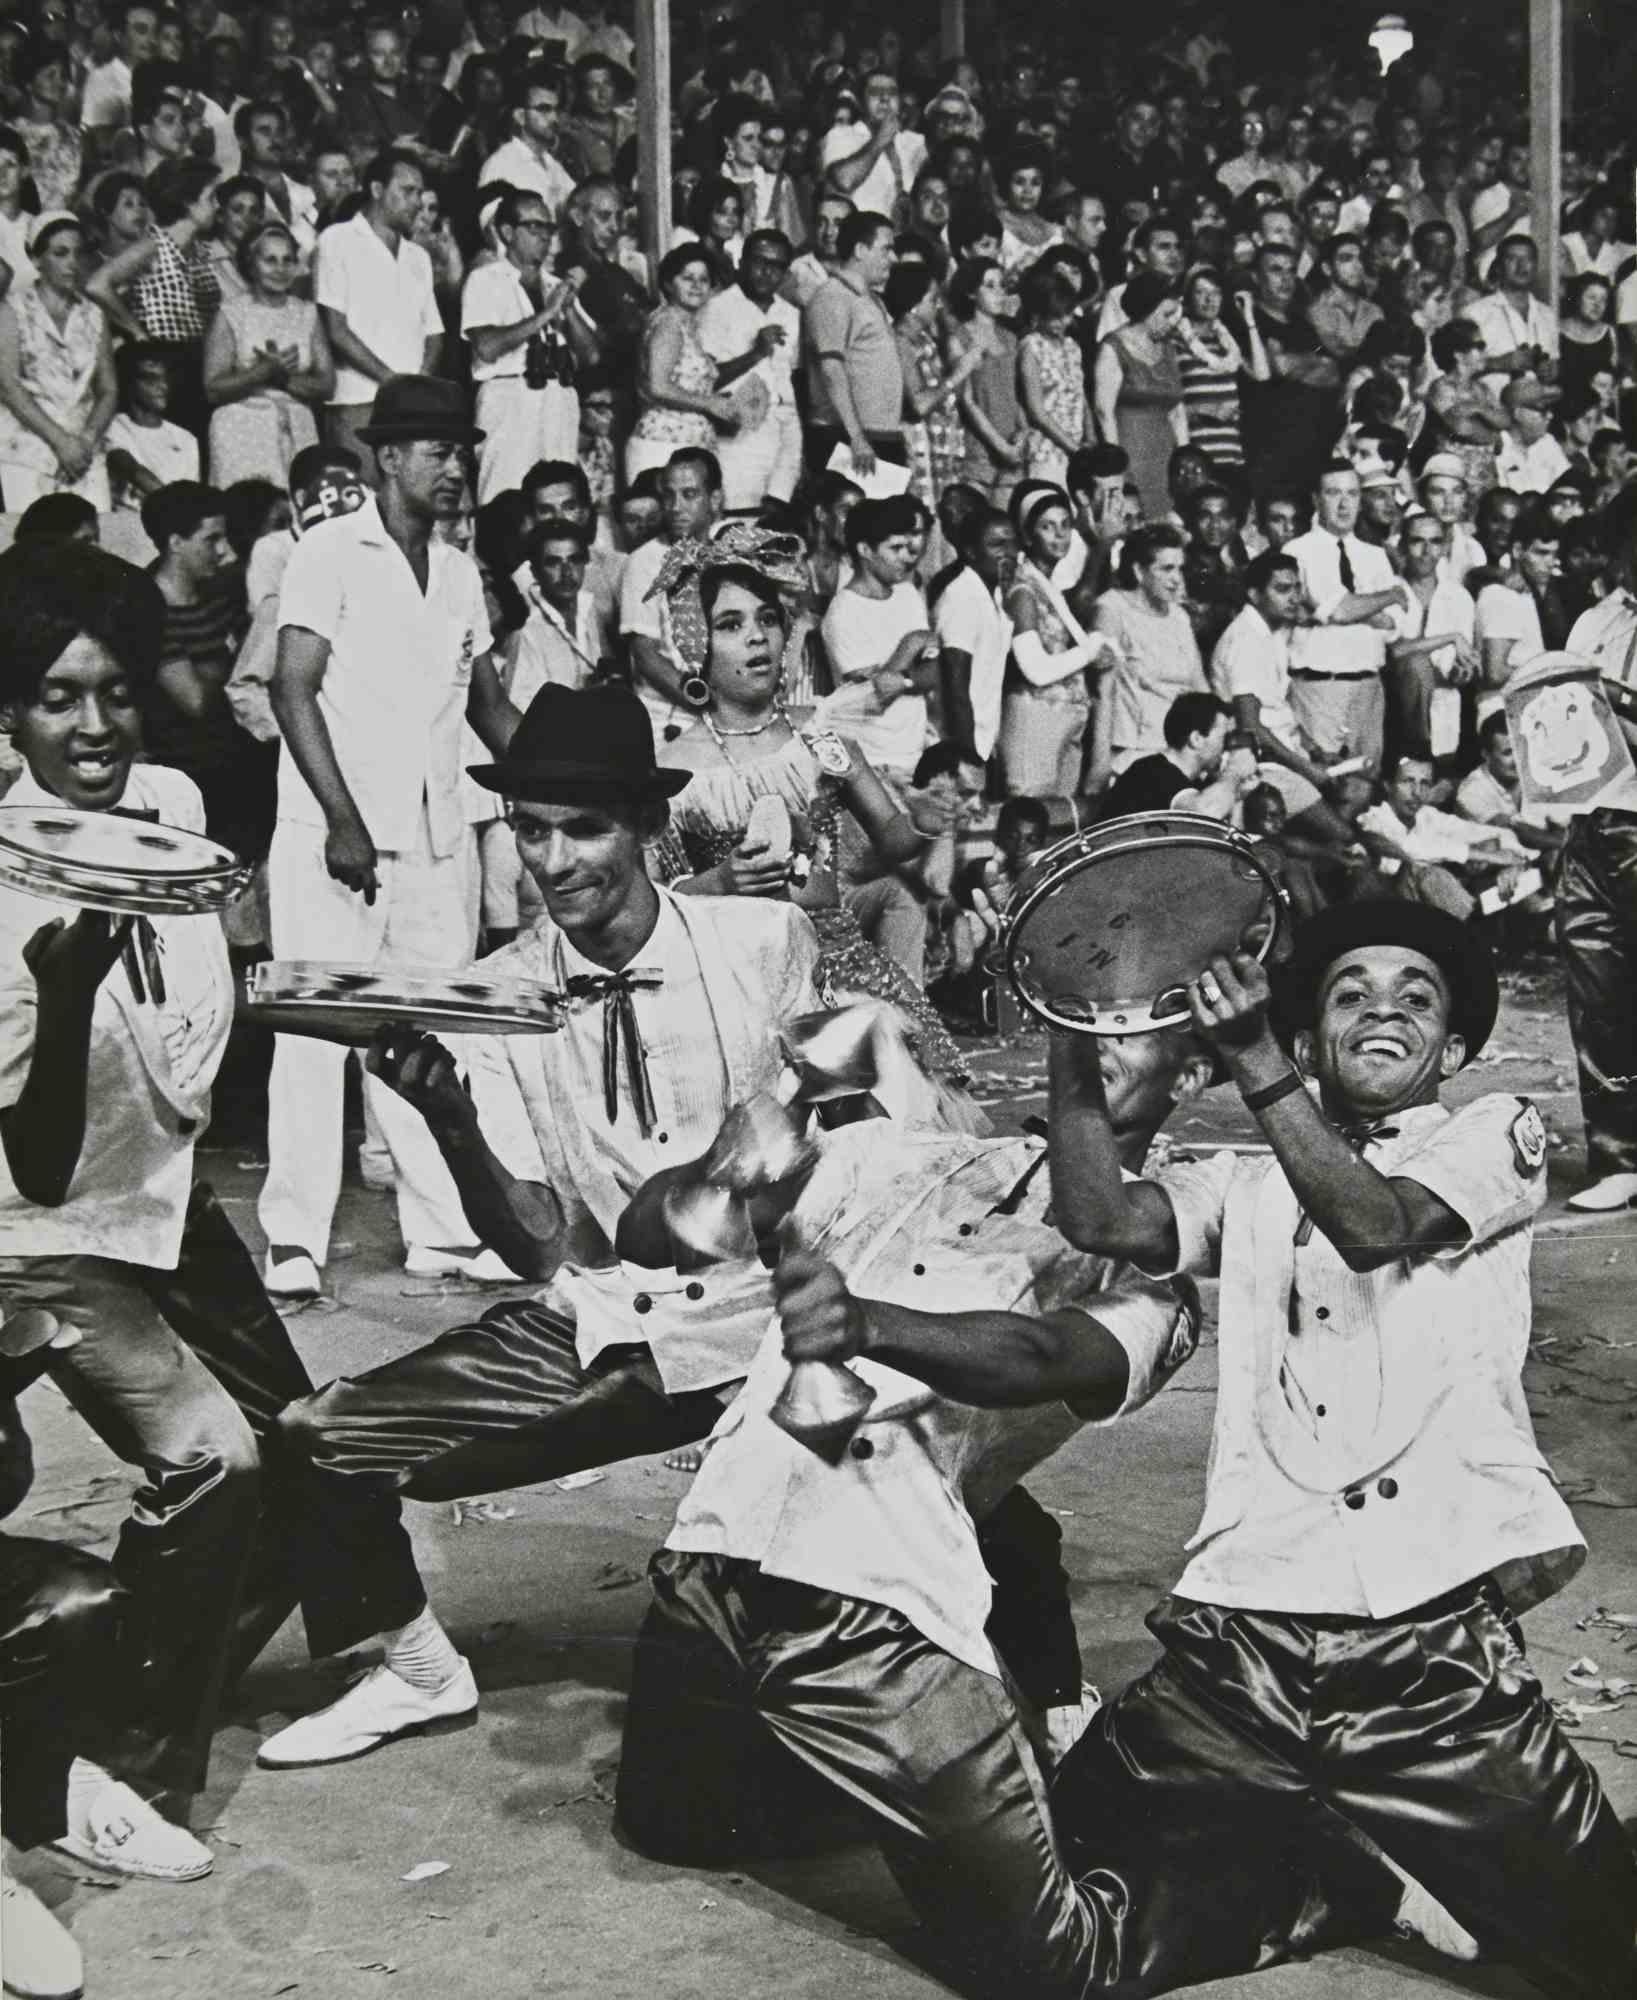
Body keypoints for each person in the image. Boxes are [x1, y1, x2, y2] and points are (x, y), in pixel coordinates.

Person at [1046, 899, 1636, 2000]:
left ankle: (1383, 1844)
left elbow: (1374, 1224)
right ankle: (1336, 1877)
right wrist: (1071, 1039)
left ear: (1452, 1050)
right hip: (1239, 1639)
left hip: (1427, 1656)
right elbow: (1098, 1217)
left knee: (1613, 1954)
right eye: (1349, 991)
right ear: (1314, 1038)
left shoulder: (1494, 1133)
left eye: (1417, 997)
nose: (1383, 1007)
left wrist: (1256, 1057)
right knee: (1057, 1896)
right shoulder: (1248, 1178)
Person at [251, 681, 837, 1769]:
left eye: (584, 827)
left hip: (782, 1314)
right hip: (614, 1319)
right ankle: (419, 1669)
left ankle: (1027, 1661)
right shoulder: (501, 990)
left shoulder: (765, 940)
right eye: (529, 829)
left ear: (648, 827)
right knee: (319, 1435)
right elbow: (540, 1247)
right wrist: (451, 1121)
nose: (553, 860)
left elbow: (837, 1145)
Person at [0, 538, 338, 1884]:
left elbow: (199, 1038)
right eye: (57, 698)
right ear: (10, 710)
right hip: (24, 1231)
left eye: (115, 692)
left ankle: (117, 1765)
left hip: (146, 1215)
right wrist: (66, 994)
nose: (93, 727)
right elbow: (28, 1160)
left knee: (256, 1457)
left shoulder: (175, 801)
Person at [256, 376, 520, 1303]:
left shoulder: (459, 571)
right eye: (439, 452)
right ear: (389, 458)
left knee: (425, 1037)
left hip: (436, 837)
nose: (457, 469)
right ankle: (293, 1234)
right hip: (338, 837)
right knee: (315, 1035)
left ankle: (442, 1231)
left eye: (464, 452)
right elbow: (292, 688)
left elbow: (489, 708)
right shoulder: (328, 551)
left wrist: (566, 786)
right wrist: (340, 819)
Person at [653, 528, 972, 1094]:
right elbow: (653, 900)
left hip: (836, 972)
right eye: (731, 625)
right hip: (731, 988)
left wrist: (923, 817)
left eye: (767, 620)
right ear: (697, 643)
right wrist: (722, 880)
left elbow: (893, 840)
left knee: (870, 1137)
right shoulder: (674, 768)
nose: (756, 639)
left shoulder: (819, 738)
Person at [1554, 490, 1637, 1212]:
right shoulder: (1594, 620)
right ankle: (1615, 1156)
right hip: (1590, 827)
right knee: (1597, 994)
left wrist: (1617, 707)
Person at [1210, 547, 1362, 847]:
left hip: (1283, 755)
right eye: (1282, 589)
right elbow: (1250, 728)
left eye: (1297, 587)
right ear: (1254, 595)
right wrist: (1309, 770)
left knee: (1358, 795)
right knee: (1345, 839)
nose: (1294, 597)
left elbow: (1277, 708)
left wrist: (1314, 750)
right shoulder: (1245, 640)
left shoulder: (1272, 631)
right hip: (1261, 766)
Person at [312, 149, 443, 482]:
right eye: (407, 191)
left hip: (412, 408)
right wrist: (391, 381)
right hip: (357, 402)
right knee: (361, 507)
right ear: (376, 189)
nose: (416, 202)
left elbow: (434, 333)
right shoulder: (336, 240)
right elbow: (336, 330)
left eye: (419, 192)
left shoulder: (418, 257)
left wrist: (416, 386)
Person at [461, 188, 591, 503]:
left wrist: (569, 310)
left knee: (558, 496)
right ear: (507, 232)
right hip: (510, 399)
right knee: (505, 498)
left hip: (558, 397)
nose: (544, 236)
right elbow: (487, 347)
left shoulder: (554, 284)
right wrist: (547, 314)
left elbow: (591, 355)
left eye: (548, 228)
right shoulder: (486, 279)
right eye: (534, 227)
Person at [1284, 460, 1407, 769]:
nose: (1343, 504)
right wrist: (1388, 596)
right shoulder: (1298, 553)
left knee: (1366, 786)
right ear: (1316, 499)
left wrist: (1352, 610)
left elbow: (1397, 624)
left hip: (1369, 688)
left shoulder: (1376, 556)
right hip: (1321, 689)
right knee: (1329, 781)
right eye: (1333, 493)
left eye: (1351, 494)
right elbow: (1338, 609)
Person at [1002, 486, 1118, 797]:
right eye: (1047, 526)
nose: (1059, 535)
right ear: (1028, 536)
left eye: (1065, 525)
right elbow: (1035, 670)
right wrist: (1090, 650)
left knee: (1064, 826)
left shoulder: (1049, 586)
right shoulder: (1022, 590)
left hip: (1067, 720)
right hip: (1035, 721)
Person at [0, 211, 115, 512]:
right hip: (27, 450)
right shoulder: (11, 311)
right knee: (32, 549)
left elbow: (108, 389)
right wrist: (59, 441)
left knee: (90, 551)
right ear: (37, 259)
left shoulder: (94, 314)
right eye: (60, 253)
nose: (72, 263)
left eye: (78, 253)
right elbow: (8, 386)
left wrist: (86, 439)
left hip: (85, 453)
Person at [203, 219, 331, 488]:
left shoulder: (306, 313)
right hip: (241, 431)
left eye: (288, 260)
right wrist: (261, 372)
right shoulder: (232, 313)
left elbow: (326, 385)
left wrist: (281, 379)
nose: (280, 269)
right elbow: (212, 388)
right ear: (251, 264)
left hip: (298, 428)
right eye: (270, 260)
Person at [817, 494, 935, 784]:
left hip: (916, 755)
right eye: (894, 548)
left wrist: (904, 679)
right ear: (865, 550)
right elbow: (873, 697)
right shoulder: (843, 613)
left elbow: (935, 671)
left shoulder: (908, 595)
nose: (905, 557)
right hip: (871, 762)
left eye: (907, 547)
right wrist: (910, 646)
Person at [1089, 522, 1207, 787]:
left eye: (1179, 568)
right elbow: (1102, 692)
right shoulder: (1112, 608)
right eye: (1166, 569)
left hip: (1184, 754)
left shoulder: (1179, 616)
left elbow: (1200, 687)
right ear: (1139, 572)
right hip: (1135, 754)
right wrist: (1100, 766)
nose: (1177, 578)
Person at [698, 230, 803, 517]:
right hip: (736, 438)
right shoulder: (716, 308)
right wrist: (755, 353)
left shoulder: (790, 314)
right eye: (759, 261)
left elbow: (791, 381)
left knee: (775, 521)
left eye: (777, 266)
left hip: (784, 433)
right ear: (741, 261)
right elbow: (703, 380)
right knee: (736, 521)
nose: (767, 272)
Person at [625, 242, 737, 485]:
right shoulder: (669, 324)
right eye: (688, 278)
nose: (697, 285)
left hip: (685, 446)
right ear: (668, 283)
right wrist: (709, 403)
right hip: (662, 445)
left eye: (704, 279)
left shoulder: (687, 325)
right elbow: (658, 386)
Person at [802, 211, 903, 476]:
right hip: (849, 438)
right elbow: (831, 370)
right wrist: (856, 437)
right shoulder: (832, 297)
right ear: (860, 249)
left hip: (877, 436)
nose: (893, 259)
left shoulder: (871, 300)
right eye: (886, 249)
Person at [1094, 271, 1187, 524]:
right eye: (1167, 314)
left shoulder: (1168, 348)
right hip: (1131, 452)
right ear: (1147, 310)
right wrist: (1117, 469)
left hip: (1165, 455)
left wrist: (1185, 457)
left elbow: (1177, 410)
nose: (1173, 322)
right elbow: (1104, 412)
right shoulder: (1113, 347)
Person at [936, 504, 1019, 770]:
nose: (1009, 553)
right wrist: (968, 757)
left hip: (985, 740)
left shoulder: (993, 593)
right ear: (970, 552)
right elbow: (956, 685)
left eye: (1012, 543)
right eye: (997, 545)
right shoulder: (961, 597)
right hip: (963, 748)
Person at [1097, 689, 1249, 820]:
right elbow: (1206, 813)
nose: (1228, 746)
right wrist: (1234, 771)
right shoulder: (1152, 772)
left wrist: (1237, 794)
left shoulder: (1192, 784)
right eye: (1224, 738)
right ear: (1196, 739)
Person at [947, 256, 1023, 505]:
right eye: (989, 286)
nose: (999, 292)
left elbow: (1017, 395)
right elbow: (967, 401)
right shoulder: (959, 338)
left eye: (1002, 285)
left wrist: (1023, 432)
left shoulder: (1010, 338)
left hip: (1013, 447)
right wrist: (1000, 446)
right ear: (971, 292)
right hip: (980, 449)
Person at [1177, 263, 1263, 472]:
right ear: (1188, 298)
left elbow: (1262, 375)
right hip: (1195, 457)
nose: (1209, 300)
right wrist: (1206, 411)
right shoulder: (1177, 342)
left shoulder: (1226, 343)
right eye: (1201, 292)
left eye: (1215, 293)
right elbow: (1166, 407)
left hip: (1231, 453)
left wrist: (1249, 320)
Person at [104, 340, 200, 508]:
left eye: (166, 378)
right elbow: (132, 470)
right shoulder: (113, 427)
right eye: (150, 379)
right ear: (129, 383)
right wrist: (179, 509)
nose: (163, 386)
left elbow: (192, 494)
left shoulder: (186, 438)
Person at [1018, 262, 1088, 488]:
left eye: (1066, 314)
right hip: (1047, 451)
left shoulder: (1072, 347)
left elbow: (1081, 396)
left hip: (1077, 449)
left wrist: (1090, 438)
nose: (1063, 322)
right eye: (1054, 316)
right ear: (1039, 314)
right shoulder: (1031, 347)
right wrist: (1072, 447)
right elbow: (1037, 411)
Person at [1494, 374, 1569, 495]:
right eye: (1543, 410)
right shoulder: (1498, 448)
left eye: (1551, 410)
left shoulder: (1547, 442)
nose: (1550, 416)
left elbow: (1568, 483)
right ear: (1518, 413)